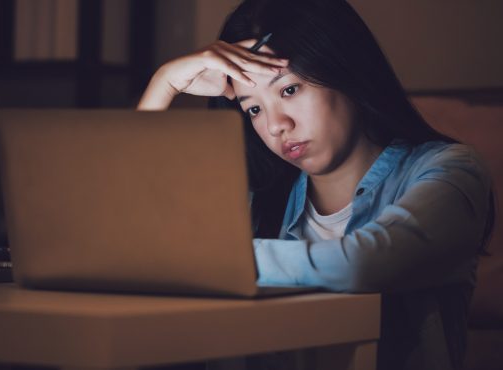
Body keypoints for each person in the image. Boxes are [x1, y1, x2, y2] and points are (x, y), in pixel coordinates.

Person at [137, 0, 495, 369]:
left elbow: (362, 263)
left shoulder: (452, 171)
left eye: (289, 90)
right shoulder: (255, 194)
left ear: (344, 68)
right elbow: (128, 243)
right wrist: (163, 85)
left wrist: (211, 260)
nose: (276, 125)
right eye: (254, 109)